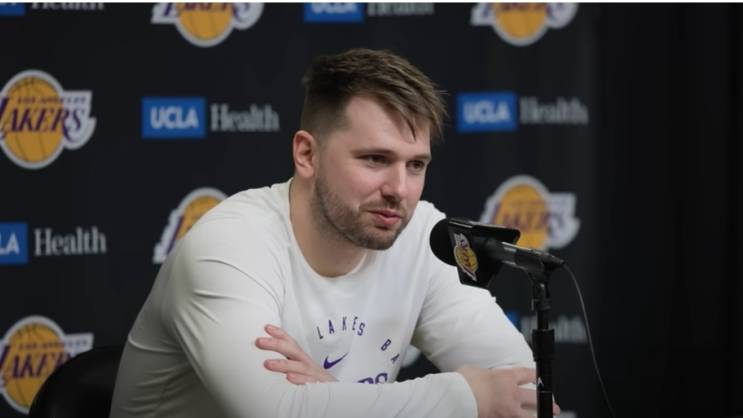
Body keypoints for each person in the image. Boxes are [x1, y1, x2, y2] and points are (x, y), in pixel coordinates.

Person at [109, 48, 559, 418]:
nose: (399, 190)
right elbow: (278, 413)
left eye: (416, 165)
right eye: (375, 159)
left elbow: (527, 397)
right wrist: (464, 399)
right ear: (307, 154)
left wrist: (328, 394)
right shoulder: (228, 246)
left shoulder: (422, 235)